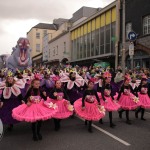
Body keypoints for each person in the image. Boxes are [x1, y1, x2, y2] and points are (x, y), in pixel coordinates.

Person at [12, 76, 57, 141]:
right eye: (36, 84)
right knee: (33, 122)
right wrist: (27, 101)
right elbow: (25, 98)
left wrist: (45, 95)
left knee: (39, 121)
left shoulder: (41, 89)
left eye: (39, 84)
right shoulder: (30, 90)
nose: (38, 85)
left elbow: (45, 99)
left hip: (39, 107)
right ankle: (34, 134)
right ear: (33, 84)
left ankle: (38, 132)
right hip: (32, 107)